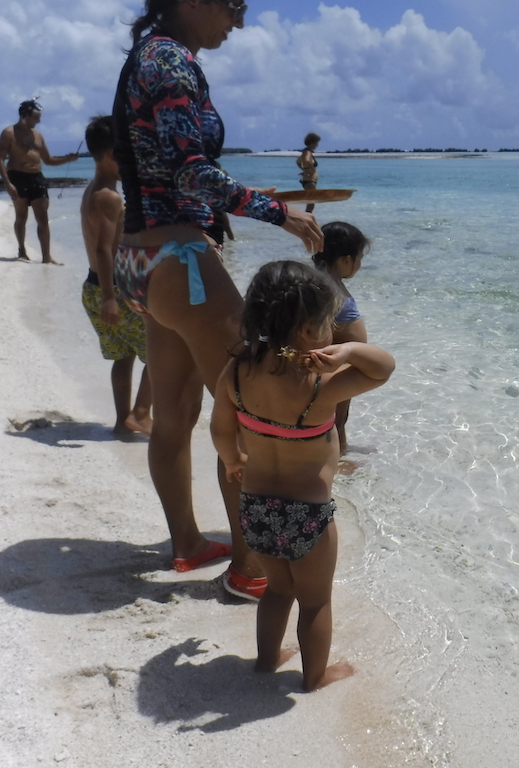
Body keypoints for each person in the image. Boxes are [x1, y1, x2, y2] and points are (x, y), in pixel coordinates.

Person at [112, 0, 324, 598]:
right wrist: (277, 213)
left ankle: (187, 544)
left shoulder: (148, 56)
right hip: (179, 261)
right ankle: (252, 569)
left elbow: (168, 170)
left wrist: (234, 205)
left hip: (140, 260)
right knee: (255, 406)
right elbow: (190, 174)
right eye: (234, 6)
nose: (239, 20)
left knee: (174, 414)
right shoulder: (171, 61)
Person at [210, 260, 394, 691]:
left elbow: (220, 428)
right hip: (308, 514)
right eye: (331, 323)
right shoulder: (320, 382)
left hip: (254, 507)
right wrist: (349, 352)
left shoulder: (236, 372)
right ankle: (315, 677)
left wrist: (233, 459)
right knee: (315, 602)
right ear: (311, 329)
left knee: (276, 590)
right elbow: (383, 368)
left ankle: (267, 660)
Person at [80, 115, 153, 438]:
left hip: (95, 287)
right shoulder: (110, 196)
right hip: (114, 292)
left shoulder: (93, 190)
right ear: (112, 155)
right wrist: (111, 297)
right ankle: (140, 414)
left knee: (123, 357)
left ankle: (123, 423)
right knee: (164, 351)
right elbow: (103, 250)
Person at [312, 221, 369, 459]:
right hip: (339, 364)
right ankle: (337, 459)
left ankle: (339, 450)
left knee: (333, 413)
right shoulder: (331, 289)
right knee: (338, 415)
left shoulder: (315, 281)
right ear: (346, 260)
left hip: (335, 361)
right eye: (359, 258)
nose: (359, 264)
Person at [0, 100, 80, 264]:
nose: (39, 121)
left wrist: (68, 159)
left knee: (43, 218)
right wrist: (7, 183)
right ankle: (22, 250)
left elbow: (48, 160)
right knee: (21, 216)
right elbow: (0, 159)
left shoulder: (38, 136)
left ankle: (46, 257)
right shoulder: (9, 133)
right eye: (36, 117)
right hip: (17, 177)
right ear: (24, 116)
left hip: (37, 177)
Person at [296, 132, 319, 214]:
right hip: (309, 181)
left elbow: (298, 162)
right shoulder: (308, 152)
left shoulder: (306, 152)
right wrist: (312, 169)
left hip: (309, 180)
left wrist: (304, 169)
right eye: (316, 143)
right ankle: (305, 220)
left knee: (311, 202)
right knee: (311, 203)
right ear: (312, 143)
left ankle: (306, 219)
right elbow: (306, 160)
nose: (317, 145)